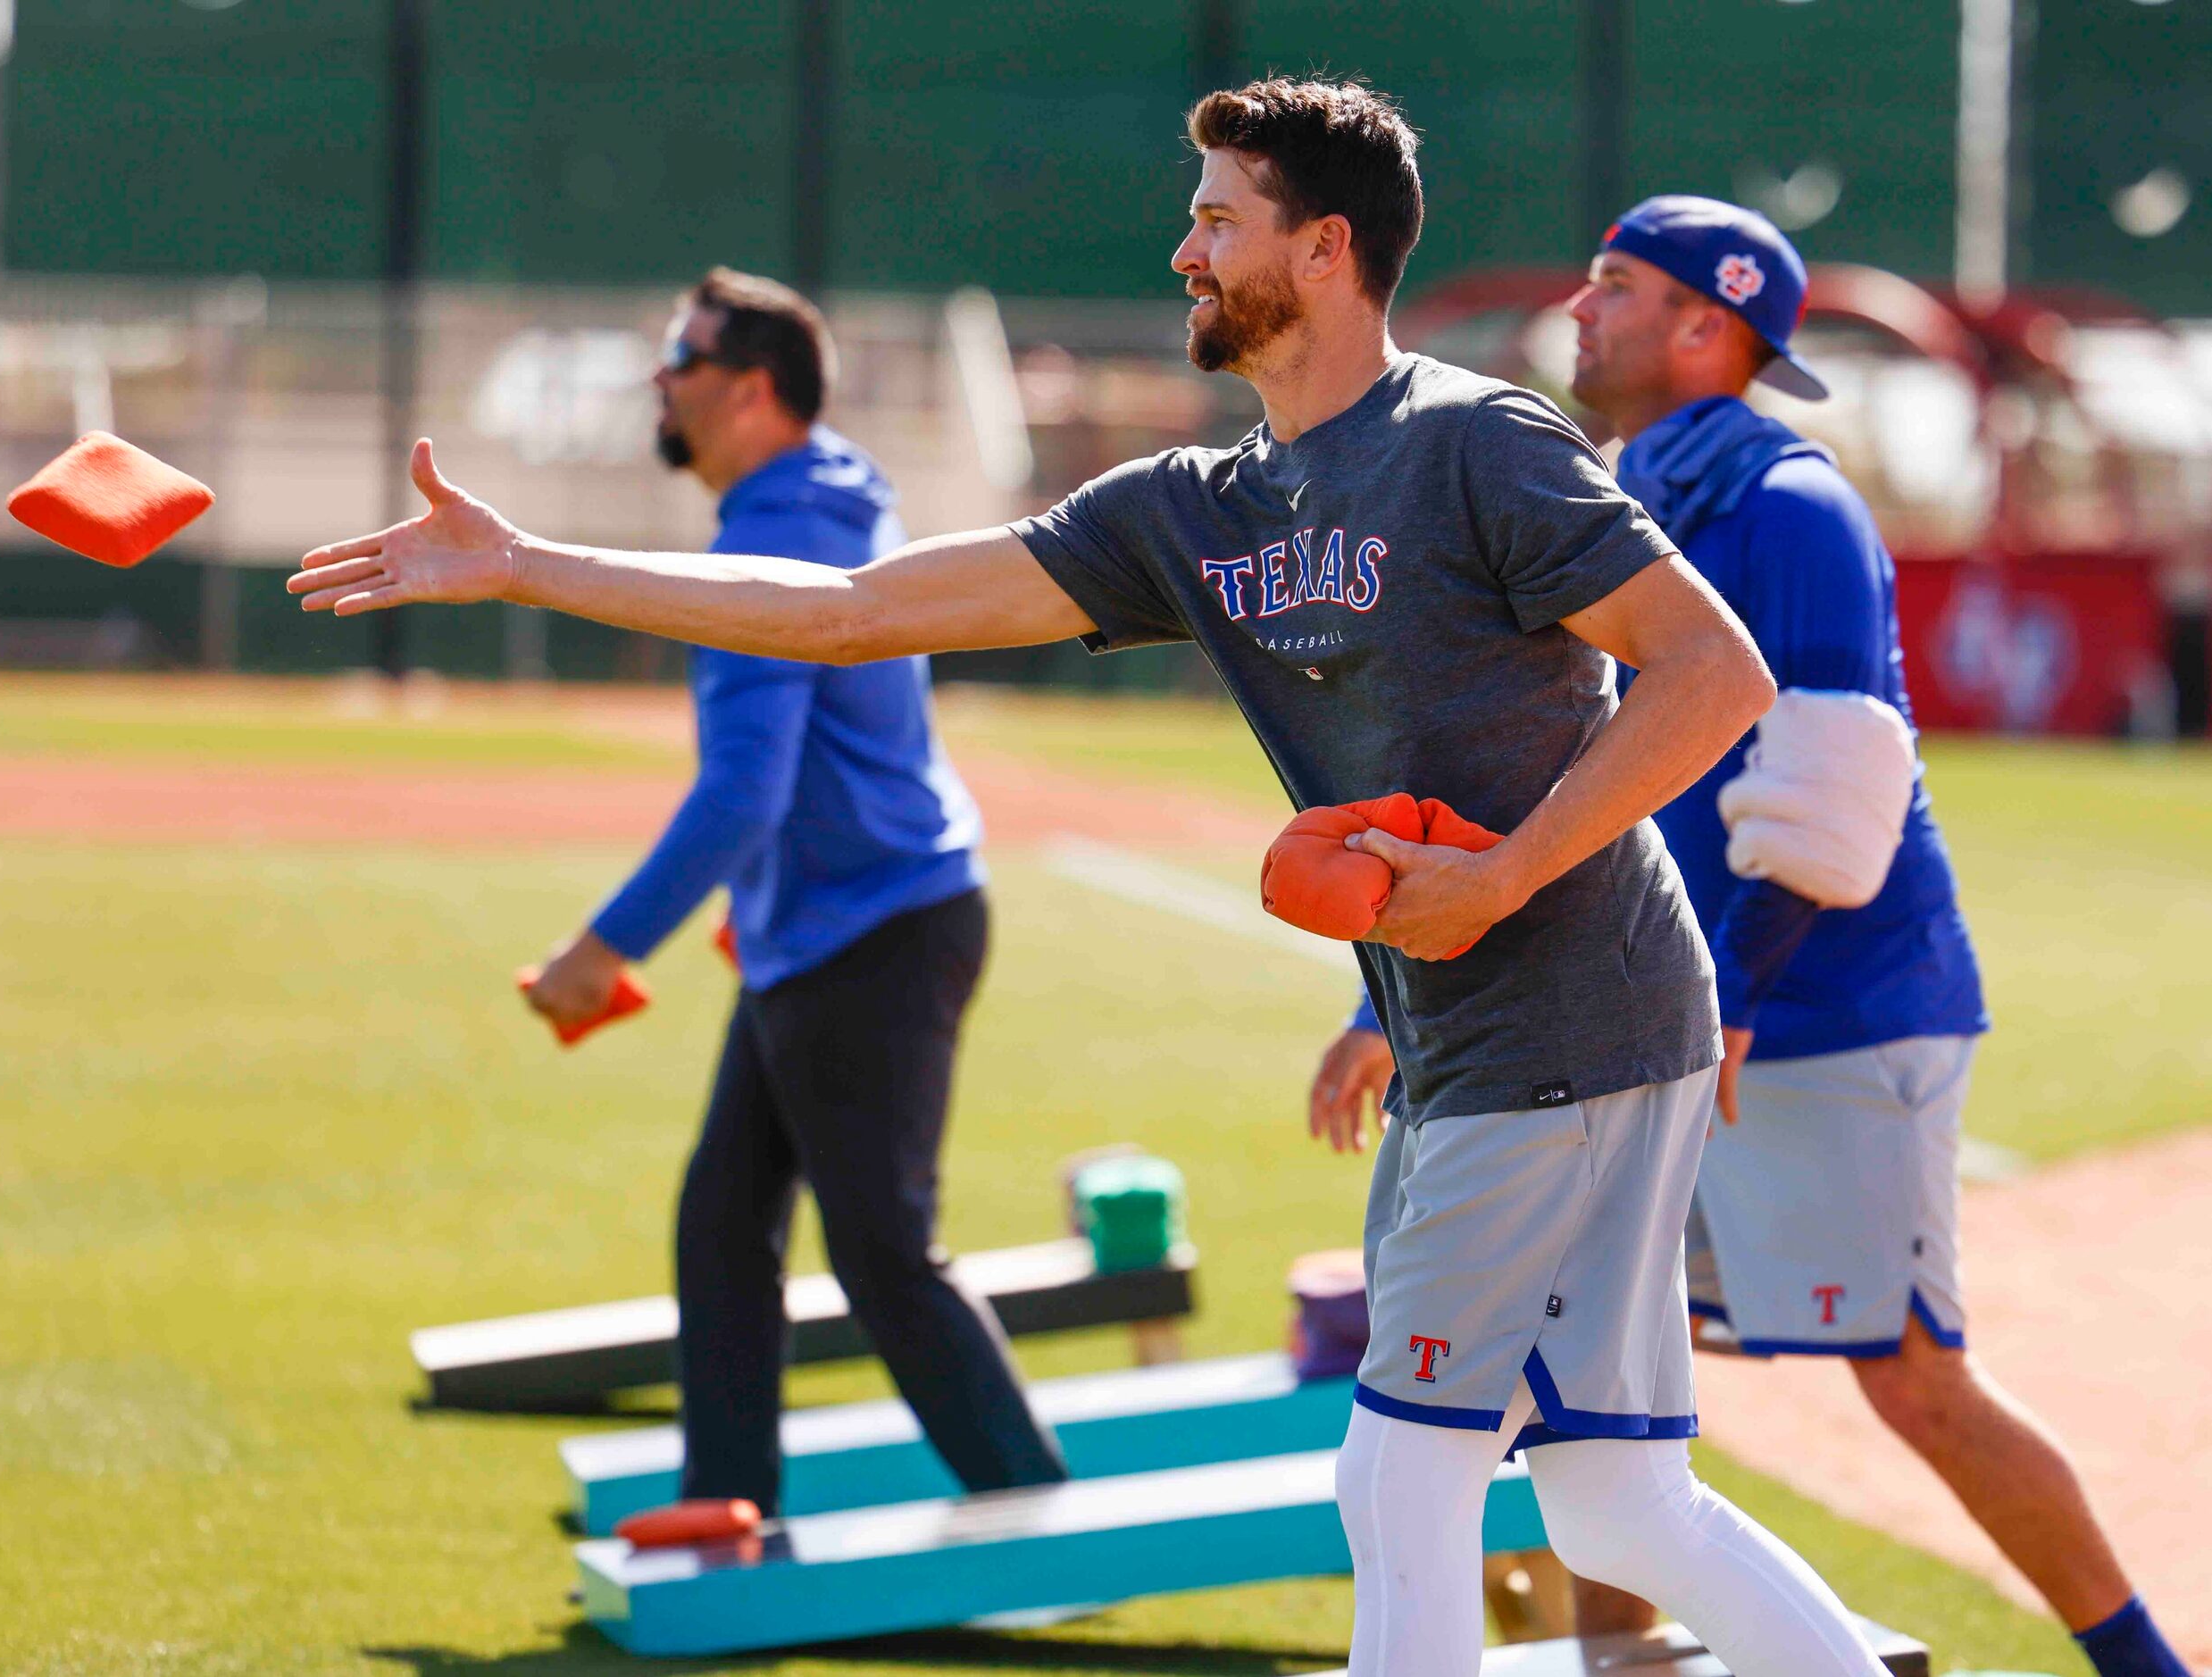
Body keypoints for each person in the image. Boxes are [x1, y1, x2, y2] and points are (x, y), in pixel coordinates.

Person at [290, 80, 1897, 1677]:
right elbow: (853, 605)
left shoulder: (1474, 444)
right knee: (1614, 1501)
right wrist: (527, 565)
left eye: (1216, 217)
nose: (1182, 248)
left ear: (1324, 247)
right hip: (1503, 1035)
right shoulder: (1194, 510)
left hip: (1566, 1017)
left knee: (1401, 1473)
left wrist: (1501, 877)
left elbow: (1713, 672)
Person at [1309, 196, 2189, 1677]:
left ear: (1707, 325)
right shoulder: (1617, 493)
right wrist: (1396, 994)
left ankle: (2147, 1668)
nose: (1576, 312)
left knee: (1910, 1379)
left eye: (1612, 287)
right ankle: (1628, 1659)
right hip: (1658, 1014)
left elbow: (1840, 780)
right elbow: (1552, 779)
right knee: (1573, 1360)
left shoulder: (1786, 503)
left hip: (1818, 1010)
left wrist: (1728, 1002)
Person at [522, 267, 1066, 1517]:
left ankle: (1036, 1512)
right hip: (834, 922)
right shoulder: (816, 503)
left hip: (870, 929)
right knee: (722, 1222)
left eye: (685, 357)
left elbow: (741, 795)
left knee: (882, 1255)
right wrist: (754, 903)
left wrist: (601, 950)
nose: (661, 376)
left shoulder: (771, 544)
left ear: (754, 393)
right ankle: (723, 1499)